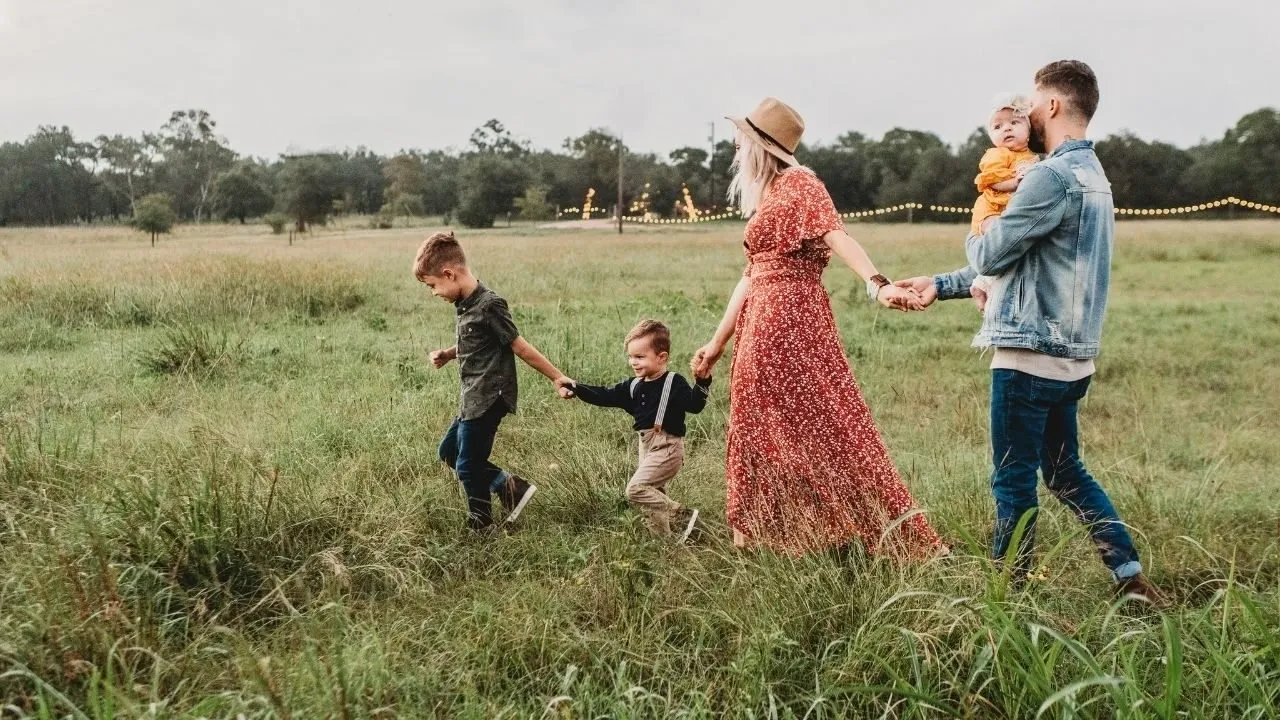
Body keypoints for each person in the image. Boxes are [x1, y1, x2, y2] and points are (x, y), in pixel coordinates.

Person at [895, 60, 1162, 601]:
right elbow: (1026, 262)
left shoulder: (1049, 176)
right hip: (1072, 359)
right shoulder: (1095, 178)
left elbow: (993, 251)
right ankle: (1129, 579)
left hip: (1027, 356)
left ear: (1055, 106)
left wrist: (982, 226)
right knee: (1066, 474)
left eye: (1034, 105)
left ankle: (1008, 598)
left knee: (1012, 481)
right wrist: (941, 284)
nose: (1028, 114)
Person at [690, 97, 945, 558]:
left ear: (760, 146)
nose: (734, 147)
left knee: (823, 424)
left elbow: (837, 235)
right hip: (759, 321)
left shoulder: (801, 184)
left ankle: (842, 530)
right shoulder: (768, 195)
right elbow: (749, 276)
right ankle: (768, 535)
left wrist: (877, 285)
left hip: (790, 319)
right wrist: (716, 343)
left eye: (741, 140)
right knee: (757, 427)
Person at [415, 231, 573, 533]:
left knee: (467, 465)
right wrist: (449, 354)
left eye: (433, 285)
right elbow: (476, 344)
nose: (434, 293)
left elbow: (519, 346)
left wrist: (557, 377)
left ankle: (481, 525)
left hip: (489, 397)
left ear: (449, 274)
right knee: (449, 452)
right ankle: (510, 487)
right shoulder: (465, 304)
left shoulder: (489, 305)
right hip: (471, 397)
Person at [561, 320, 710, 542]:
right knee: (653, 500)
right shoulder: (634, 385)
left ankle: (683, 515)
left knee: (636, 489)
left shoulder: (673, 382)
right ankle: (664, 546)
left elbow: (695, 405)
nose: (633, 362)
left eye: (640, 357)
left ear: (662, 357)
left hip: (668, 447)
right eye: (631, 356)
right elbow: (605, 395)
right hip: (646, 447)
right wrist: (576, 387)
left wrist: (702, 380)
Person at [970, 93, 1040, 312]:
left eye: (1014, 123)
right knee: (1000, 241)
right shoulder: (997, 154)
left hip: (1006, 209)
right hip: (991, 209)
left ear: (1028, 130)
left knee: (1010, 248)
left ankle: (982, 284)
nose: (1007, 129)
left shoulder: (1031, 156)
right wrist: (1014, 183)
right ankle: (985, 286)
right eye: (998, 127)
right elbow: (990, 180)